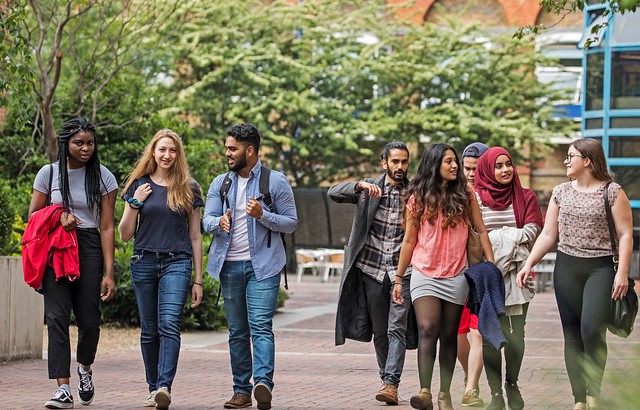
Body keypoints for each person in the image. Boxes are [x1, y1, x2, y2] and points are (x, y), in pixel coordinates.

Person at [517, 139, 633, 410]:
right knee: (572, 335)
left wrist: (623, 273)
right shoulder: (560, 192)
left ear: (588, 160)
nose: (566, 161)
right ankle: (580, 399)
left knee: (592, 331)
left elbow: (626, 234)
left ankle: (595, 391)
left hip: (600, 268)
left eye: (571, 156)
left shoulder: (613, 192)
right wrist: (528, 264)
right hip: (567, 267)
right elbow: (548, 234)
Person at [203, 123, 298, 410]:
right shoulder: (221, 183)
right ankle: (241, 391)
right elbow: (205, 219)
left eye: (232, 149)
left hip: (264, 267)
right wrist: (218, 222)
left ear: (250, 150)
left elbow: (291, 223)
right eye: (227, 148)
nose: (227, 153)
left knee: (260, 327)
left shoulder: (275, 181)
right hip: (229, 266)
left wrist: (263, 214)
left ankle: (263, 385)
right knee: (237, 331)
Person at [392, 143, 494, 410]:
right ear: (434, 164)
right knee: (427, 329)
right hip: (424, 272)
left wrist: (490, 264)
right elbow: (409, 240)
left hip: (457, 274)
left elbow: (481, 231)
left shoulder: (466, 195)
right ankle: (425, 391)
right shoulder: (417, 197)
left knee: (449, 335)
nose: (455, 166)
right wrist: (399, 278)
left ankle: (444, 394)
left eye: (455, 162)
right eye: (448, 161)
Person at [28, 118, 117, 409]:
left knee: (89, 320)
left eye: (90, 142)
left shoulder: (103, 177)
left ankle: (85, 370)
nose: (86, 148)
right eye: (79, 143)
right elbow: (33, 216)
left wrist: (109, 272)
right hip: (57, 247)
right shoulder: (48, 173)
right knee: (56, 318)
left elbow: (106, 226)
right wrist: (59, 214)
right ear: (66, 144)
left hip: (89, 245)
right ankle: (63, 388)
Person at [118, 129, 204, 410]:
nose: (167, 155)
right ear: (153, 152)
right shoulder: (139, 185)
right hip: (143, 261)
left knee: (169, 325)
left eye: (173, 150)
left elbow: (195, 236)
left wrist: (198, 280)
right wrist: (135, 203)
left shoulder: (189, 188)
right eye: (162, 150)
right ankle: (152, 387)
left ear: (179, 154)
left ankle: (164, 386)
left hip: (176, 262)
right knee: (149, 330)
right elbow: (124, 235)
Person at [329, 141, 417, 406]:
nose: (400, 167)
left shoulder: (415, 192)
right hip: (372, 270)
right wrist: (358, 186)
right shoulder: (370, 189)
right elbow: (333, 192)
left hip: (404, 272)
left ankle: (391, 383)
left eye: (404, 162)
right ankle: (385, 379)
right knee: (380, 331)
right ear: (384, 163)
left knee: (396, 328)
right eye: (395, 162)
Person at [474, 146, 543, 410]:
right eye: (498, 166)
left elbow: (533, 231)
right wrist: (510, 237)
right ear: (488, 170)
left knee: (517, 334)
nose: (505, 170)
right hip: (488, 276)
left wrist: (496, 238)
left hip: (517, 275)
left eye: (508, 164)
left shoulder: (525, 196)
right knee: (490, 334)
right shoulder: (476, 198)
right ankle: (494, 395)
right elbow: (473, 236)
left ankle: (511, 384)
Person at [457, 142, 489, 407]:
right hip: (456, 273)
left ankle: (471, 388)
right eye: (466, 168)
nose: (470, 174)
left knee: (477, 334)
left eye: (475, 169)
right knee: (458, 334)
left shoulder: (496, 197)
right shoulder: (455, 194)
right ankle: (471, 381)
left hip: (483, 273)